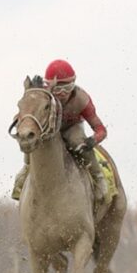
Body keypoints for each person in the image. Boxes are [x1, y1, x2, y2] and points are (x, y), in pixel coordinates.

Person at [11, 59, 108, 203]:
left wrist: (93, 140)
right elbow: (25, 115)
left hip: (71, 128)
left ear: (74, 85)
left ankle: (98, 178)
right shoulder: (43, 95)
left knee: (77, 141)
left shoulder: (82, 100)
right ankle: (26, 170)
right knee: (31, 137)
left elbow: (101, 129)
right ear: (49, 87)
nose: (62, 94)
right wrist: (31, 92)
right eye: (57, 89)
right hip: (50, 129)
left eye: (67, 88)